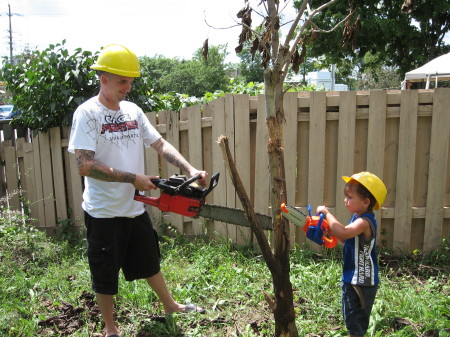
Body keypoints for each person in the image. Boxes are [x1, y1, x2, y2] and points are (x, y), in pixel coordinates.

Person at [68, 44, 207, 337]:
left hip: (134, 207)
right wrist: (133, 178)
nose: (128, 88)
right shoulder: (88, 114)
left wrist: (190, 169)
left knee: (149, 260)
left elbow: (159, 144)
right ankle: (110, 329)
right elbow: (85, 166)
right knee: (105, 273)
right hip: (103, 212)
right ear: (104, 78)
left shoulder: (133, 111)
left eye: (130, 81)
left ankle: (170, 306)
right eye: (122, 81)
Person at [316, 172, 387, 337]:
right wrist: (330, 230)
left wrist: (327, 214)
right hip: (353, 279)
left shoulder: (363, 222)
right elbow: (345, 238)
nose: (345, 200)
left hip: (360, 282)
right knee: (351, 319)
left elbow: (344, 233)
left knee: (355, 324)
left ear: (365, 202)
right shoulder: (357, 218)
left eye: (349, 197)